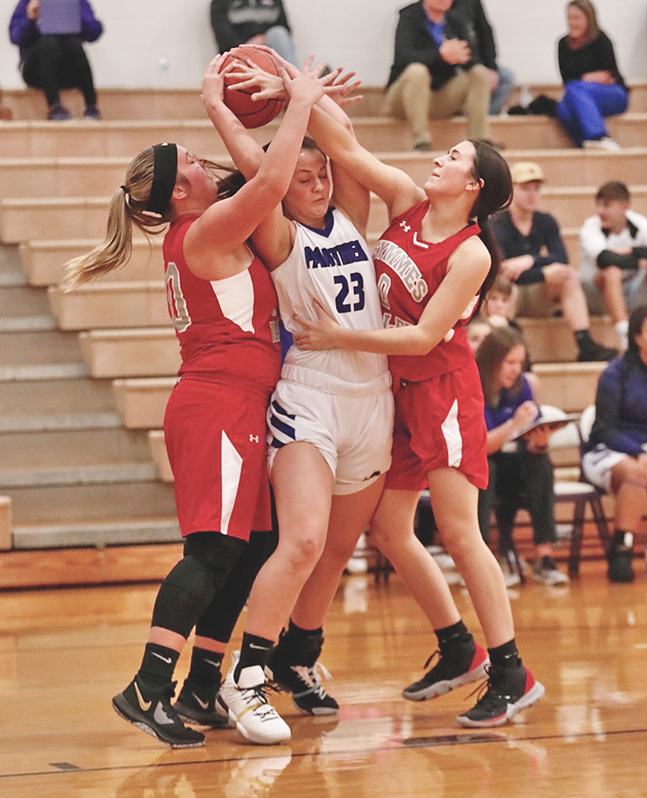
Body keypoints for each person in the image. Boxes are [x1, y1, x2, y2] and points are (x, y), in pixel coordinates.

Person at [63, 55, 331, 748]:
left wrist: (290, 101)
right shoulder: (206, 229)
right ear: (180, 187)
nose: (205, 164)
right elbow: (272, 180)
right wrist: (285, 96)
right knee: (213, 551)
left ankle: (203, 686)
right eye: (192, 160)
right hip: (218, 405)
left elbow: (262, 175)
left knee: (255, 548)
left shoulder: (202, 225)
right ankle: (148, 687)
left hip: (235, 404)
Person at [293, 108, 544, 724]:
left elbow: (428, 336)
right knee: (388, 530)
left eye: (454, 157)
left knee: (460, 532)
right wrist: (295, 92)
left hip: (443, 392)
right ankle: (459, 647)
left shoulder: (472, 255)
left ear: (474, 187)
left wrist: (339, 337)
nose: (440, 159)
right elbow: (346, 150)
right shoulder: (406, 202)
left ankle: (511, 671)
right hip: (398, 393)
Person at [204, 48, 393, 721]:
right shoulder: (280, 236)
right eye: (302, 175)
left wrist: (293, 82)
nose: (315, 183)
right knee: (305, 538)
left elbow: (344, 141)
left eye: (321, 175)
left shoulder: (351, 217)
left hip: (373, 395)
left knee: (339, 549)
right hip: (309, 395)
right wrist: (221, 107)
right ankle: (245, 674)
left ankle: (296, 655)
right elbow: (262, 169)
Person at [491, 161, 617, 362]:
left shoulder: (545, 221)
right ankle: (514, 349)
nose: (532, 195)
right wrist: (543, 270)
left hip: (536, 290)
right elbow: (503, 270)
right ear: (511, 191)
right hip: (509, 293)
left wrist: (530, 260)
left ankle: (584, 343)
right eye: (525, 189)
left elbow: (561, 258)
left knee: (567, 276)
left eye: (536, 189)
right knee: (506, 286)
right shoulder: (498, 224)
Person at [476, 326, 570, 586]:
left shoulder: (523, 386)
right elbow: (479, 447)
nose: (516, 369)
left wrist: (539, 443)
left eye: (520, 362)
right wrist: (512, 426)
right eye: (510, 362)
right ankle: (482, 560)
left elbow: (529, 436)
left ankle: (544, 557)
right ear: (493, 360)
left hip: (515, 467)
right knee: (487, 468)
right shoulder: (472, 385)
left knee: (540, 463)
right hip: (480, 467)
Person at [582, 304, 647, 583]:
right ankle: (622, 548)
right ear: (637, 336)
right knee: (636, 472)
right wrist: (639, 451)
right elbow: (603, 430)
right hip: (609, 449)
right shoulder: (615, 372)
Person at [385, 0, 491, 151]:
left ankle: (481, 142)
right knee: (417, 71)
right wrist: (440, 55)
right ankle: (421, 141)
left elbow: (470, 57)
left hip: (438, 97)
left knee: (478, 73)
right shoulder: (409, 16)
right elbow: (403, 57)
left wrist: (460, 55)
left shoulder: (456, 19)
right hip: (403, 98)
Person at [579, 181, 647, 353]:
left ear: (624, 206)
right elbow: (604, 259)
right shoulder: (590, 227)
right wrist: (638, 259)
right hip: (596, 293)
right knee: (612, 271)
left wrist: (629, 251)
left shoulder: (641, 224)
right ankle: (624, 334)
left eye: (607, 205)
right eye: (599, 205)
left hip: (632, 291)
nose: (600, 211)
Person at [9, 0, 103, 121]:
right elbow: (15, 36)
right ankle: (55, 107)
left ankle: (91, 107)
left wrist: (78, 17)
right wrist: (30, 19)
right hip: (36, 73)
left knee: (73, 44)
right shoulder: (28, 2)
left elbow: (95, 33)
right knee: (49, 42)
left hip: (67, 73)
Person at [556, 0, 628, 150]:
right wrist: (587, 79)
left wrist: (584, 82)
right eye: (569, 18)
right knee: (563, 109)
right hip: (579, 94)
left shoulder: (601, 40)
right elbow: (566, 79)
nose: (572, 22)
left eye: (576, 18)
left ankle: (599, 136)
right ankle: (587, 144)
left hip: (613, 95)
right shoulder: (562, 44)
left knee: (576, 88)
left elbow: (610, 76)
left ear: (588, 19)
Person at [450, 0, 515, 115]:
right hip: (450, 64)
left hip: (474, 62)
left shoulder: (471, 3)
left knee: (506, 77)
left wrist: (491, 68)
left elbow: (485, 34)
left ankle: (484, 118)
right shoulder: (432, 8)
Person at [210, 0, 297, 66]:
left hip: (269, 52)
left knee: (279, 33)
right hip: (237, 54)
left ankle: (295, 83)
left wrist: (262, 39)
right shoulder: (220, 2)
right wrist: (248, 47)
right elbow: (223, 36)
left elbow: (284, 28)